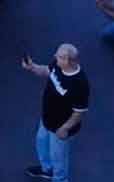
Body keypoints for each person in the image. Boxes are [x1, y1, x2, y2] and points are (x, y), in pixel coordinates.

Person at [22, 44, 90, 182]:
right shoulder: (58, 65)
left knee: (58, 158)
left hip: (60, 127)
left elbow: (78, 113)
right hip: (47, 118)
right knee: (41, 143)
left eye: (59, 56)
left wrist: (64, 129)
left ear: (69, 61)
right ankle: (46, 169)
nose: (54, 57)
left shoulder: (79, 83)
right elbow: (47, 71)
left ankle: (59, 179)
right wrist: (32, 67)